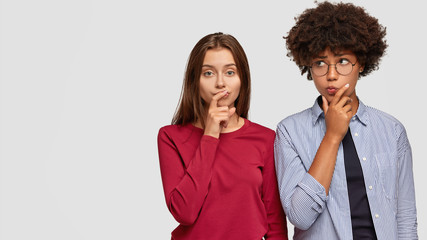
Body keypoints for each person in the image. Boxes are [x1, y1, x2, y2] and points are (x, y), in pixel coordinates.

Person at [274, 2, 417, 240]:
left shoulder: (392, 131)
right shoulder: (289, 132)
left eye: (342, 61)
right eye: (320, 63)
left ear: (360, 63)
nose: (331, 74)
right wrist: (331, 136)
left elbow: (405, 217)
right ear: (308, 66)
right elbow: (300, 216)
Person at [158, 32, 288, 240]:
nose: (220, 83)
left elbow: (274, 223)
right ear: (195, 81)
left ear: (242, 79)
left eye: (229, 72)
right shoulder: (170, 137)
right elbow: (184, 213)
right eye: (208, 73)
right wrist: (210, 135)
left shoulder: (265, 139)